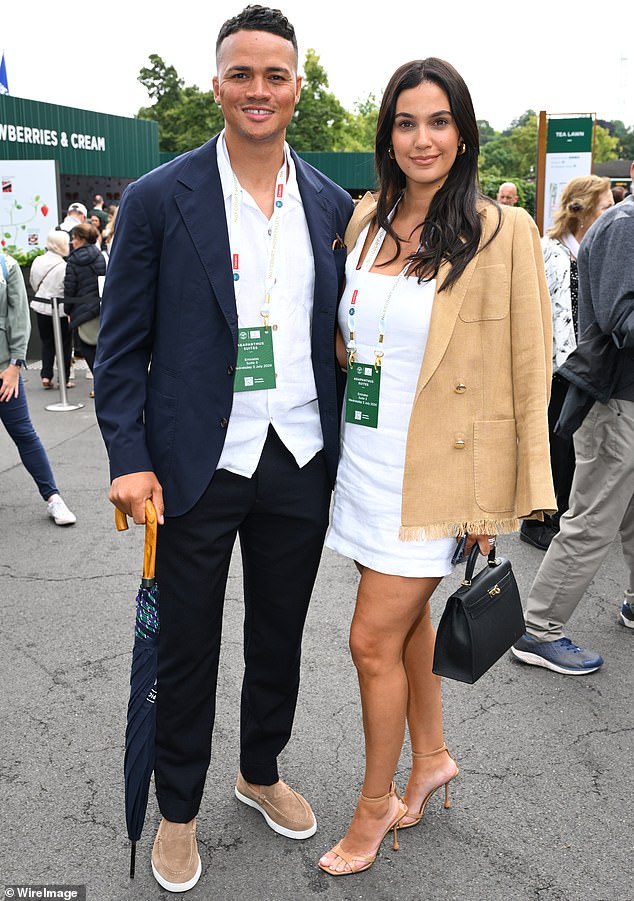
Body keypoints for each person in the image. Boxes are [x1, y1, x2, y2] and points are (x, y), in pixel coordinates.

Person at [93, 5, 353, 893]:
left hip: (298, 455)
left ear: (297, 87)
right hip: (192, 464)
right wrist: (128, 456)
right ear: (217, 84)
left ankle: (259, 768)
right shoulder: (162, 196)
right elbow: (119, 347)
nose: (258, 89)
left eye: (274, 75)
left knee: (279, 635)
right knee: (187, 643)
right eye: (241, 74)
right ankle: (178, 809)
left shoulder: (331, 204)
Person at [319, 57, 555, 877]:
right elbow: (350, 338)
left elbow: (529, 367)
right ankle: (431, 757)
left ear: (464, 133)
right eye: (406, 122)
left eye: (439, 121)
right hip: (366, 459)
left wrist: (509, 496)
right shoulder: (366, 220)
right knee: (408, 625)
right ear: (388, 133)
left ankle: (374, 804)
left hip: (443, 477)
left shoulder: (501, 231)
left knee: (370, 641)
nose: (423, 138)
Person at [512, 161, 634, 675]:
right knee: (591, 521)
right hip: (612, 400)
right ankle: (538, 629)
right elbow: (620, 318)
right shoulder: (626, 224)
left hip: (621, 398)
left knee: (626, 512)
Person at [520, 175, 613, 551]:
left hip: (588, 365)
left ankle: (569, 516)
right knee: (554, 446)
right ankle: (539, 520)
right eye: (605, 206)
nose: (612, 212)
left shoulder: (598, 248)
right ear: (582, 210)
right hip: (557, 367)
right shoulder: (550, 251)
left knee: (579, 447)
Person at [0, 251, 76, 525]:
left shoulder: (6, 264)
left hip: (4, 371)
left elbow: (18, 316)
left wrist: (14, 365)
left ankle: (53, 497)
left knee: (23, 433)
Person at [29, 229, 73, 389]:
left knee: (47, 342)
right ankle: (65, 378)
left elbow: (33, 281)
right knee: (64, 345)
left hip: (40, 306)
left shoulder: (38, 260)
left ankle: (46, 375)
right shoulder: (64, 266)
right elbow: (66, 289)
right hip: (60, 309)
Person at [63, 223, 106, 387]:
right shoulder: (99, 256)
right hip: (98, 307)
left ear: (81, 239)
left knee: (86, 347)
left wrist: (68, 309)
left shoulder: (73, 260)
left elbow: (69, 287)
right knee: (100, 346)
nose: (72, 242)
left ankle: (101, 383)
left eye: (74, 238)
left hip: (80, 309)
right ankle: (102, 381)